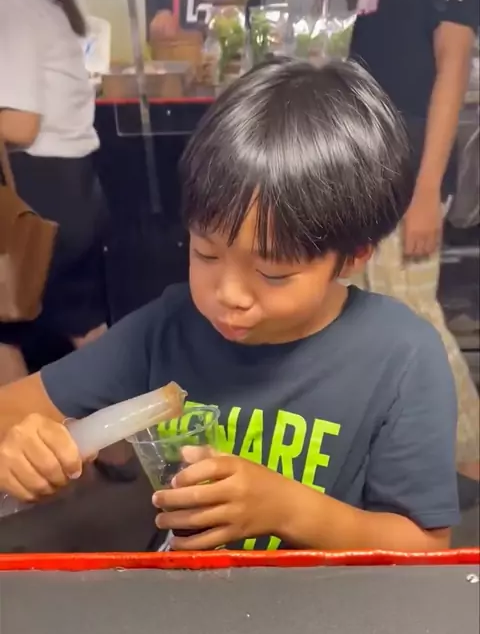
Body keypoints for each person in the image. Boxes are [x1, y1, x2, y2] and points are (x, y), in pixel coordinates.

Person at [0, 60, 460, 552]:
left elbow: (427, 545)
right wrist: (24, 451)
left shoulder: (401, 356)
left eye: (273, 273)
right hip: (187, 585)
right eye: (205, 253)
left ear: (353, 256)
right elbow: (11, 411)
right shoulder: (169, 327)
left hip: (326, 594)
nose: (229, 295)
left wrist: (288, 510)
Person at [349, 0, 480, 481]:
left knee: (412, 315)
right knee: (364, 311)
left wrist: (426, 191)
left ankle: (470, 459)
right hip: (367, 152)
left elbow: (454, 64)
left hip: (409, 164)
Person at [0, 0, 108, 384]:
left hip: (36, 194)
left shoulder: (12, 2)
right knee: (85, 326)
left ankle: (18, 426)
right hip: (76, 188)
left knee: (5, 330)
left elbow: (21, 124)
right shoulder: (46, 0)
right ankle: (124, 425)